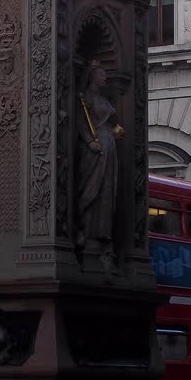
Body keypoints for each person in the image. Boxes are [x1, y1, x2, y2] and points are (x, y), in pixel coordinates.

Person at [75, 61, 123, 268]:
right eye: (101, 74)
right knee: (91, 188)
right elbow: (80, 121)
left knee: (107, 191)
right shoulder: (85, 98)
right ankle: (85, 231)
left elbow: (114, 123)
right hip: (95, 148)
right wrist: (89, 141)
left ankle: (103, 236)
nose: (105, 77)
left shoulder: (103, 98)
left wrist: (116, 132)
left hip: (108, 145)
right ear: (92, 76)